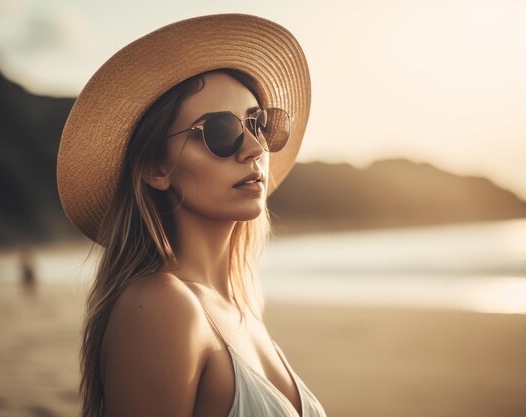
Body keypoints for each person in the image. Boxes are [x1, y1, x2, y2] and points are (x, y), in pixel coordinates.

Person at [57, 13, 326, 417]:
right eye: (220, 131)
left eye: (259, 123)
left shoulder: (240, 307)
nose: (254, 148)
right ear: (155, 168)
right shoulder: (162, 306)